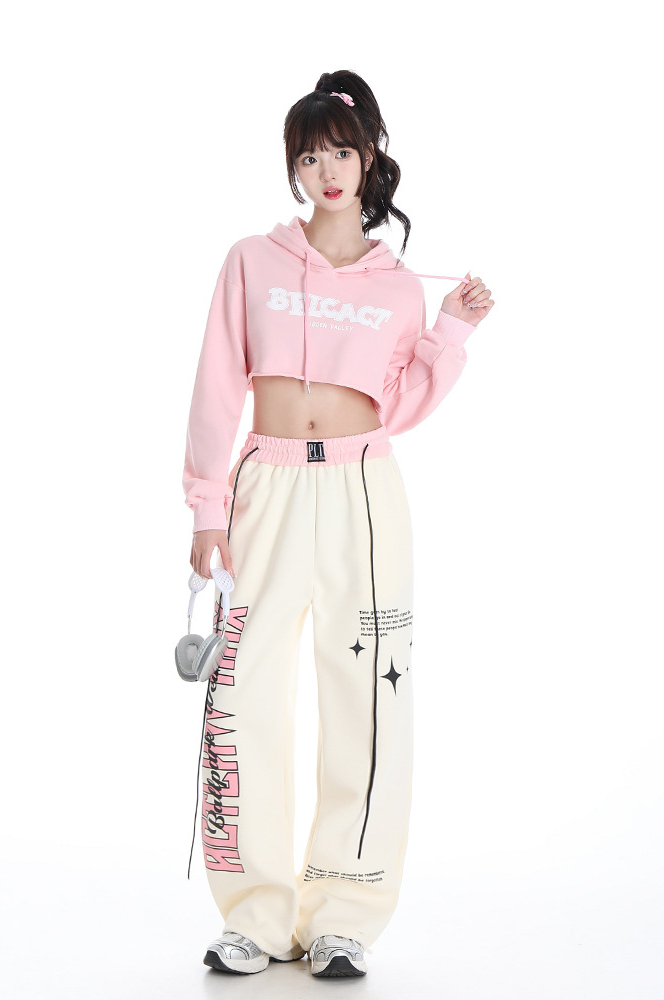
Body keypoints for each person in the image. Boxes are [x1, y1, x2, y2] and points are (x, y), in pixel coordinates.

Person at [181, 69, 494, 979]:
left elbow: (397, 406)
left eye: (342, 154)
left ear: (368, 162)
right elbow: (216, 383)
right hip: (266, 488)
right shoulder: (251, 260)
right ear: (294, 167)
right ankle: (255, 913)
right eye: (310, 155)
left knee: (369, 696)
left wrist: (449, 331)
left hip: (364, 492)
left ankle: (344, 913)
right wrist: (206, 505)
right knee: (240, 694)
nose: (326, 171)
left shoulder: (398, 286)